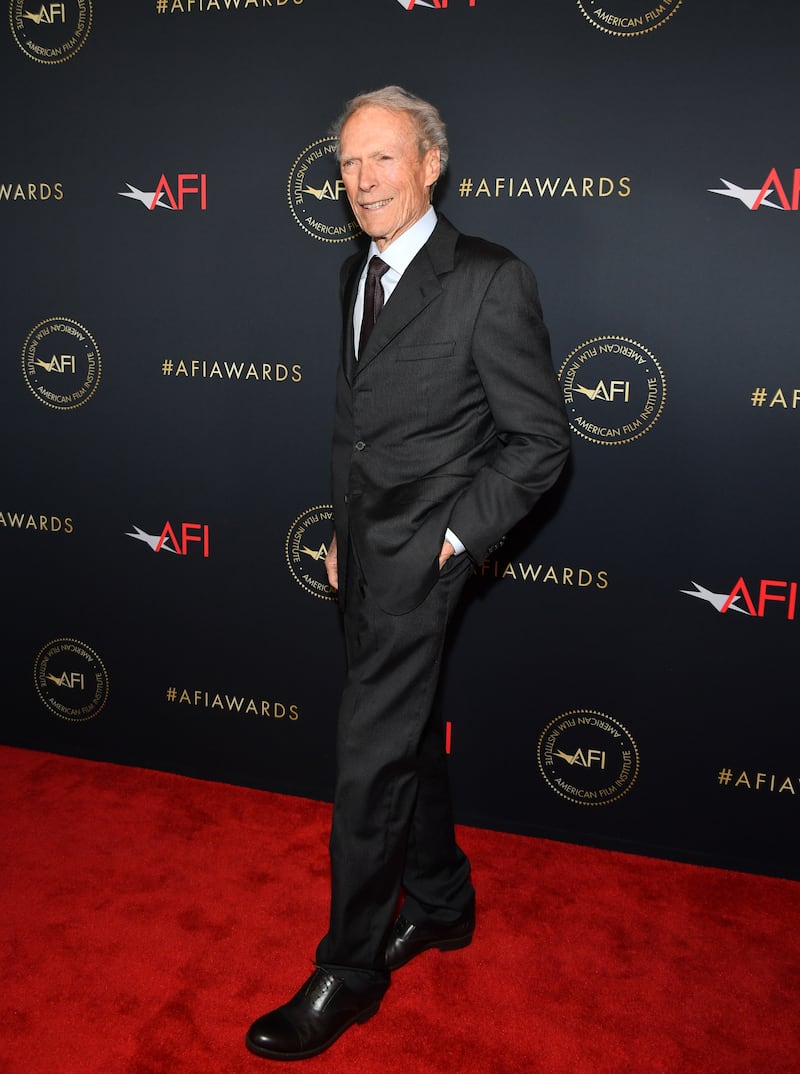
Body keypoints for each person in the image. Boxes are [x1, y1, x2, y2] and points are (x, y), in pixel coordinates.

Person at [246, 85, 570, 1061]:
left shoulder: (486, 278)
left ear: (431, 164)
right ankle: (439, 901)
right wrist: (346, 530)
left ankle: (347, 971)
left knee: (369, 761)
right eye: (346, 163)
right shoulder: (356, 273)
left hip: (424, 559)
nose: (359, 180)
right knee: (407, 734)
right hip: (363, 553)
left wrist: (449, 540)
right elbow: (356, 426)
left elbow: (537, 442)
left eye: (381, 158)